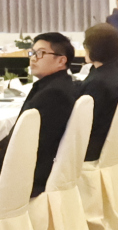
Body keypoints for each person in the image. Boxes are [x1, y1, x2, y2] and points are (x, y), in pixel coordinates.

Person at [17, 32, 78, 197]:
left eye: (41, 53)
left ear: (61, 60)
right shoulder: (56, 85)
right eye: (32, 52)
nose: (33, 58)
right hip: (34, 165)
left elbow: (27, 141)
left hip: (30, 174)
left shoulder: (54, 93)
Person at [80, 22, 118, 160]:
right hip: (115, 139)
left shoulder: (98, 81)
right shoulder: (114, 71)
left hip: (96, 147)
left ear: (94, 48)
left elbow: (84, 121)